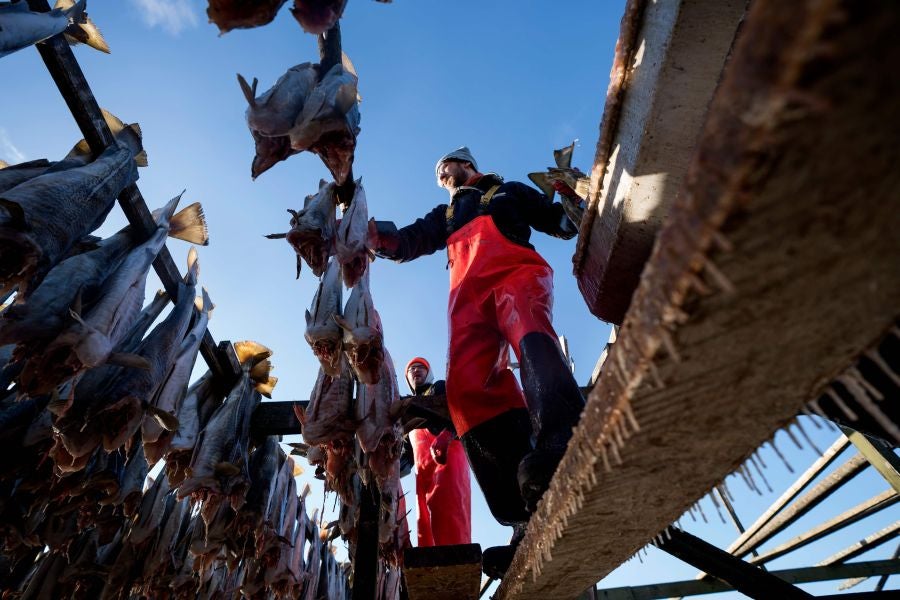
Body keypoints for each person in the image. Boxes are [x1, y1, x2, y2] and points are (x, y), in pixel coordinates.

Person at [371, 147, 586, 576]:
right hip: (466, 299)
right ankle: (525, 516)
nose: (440, 174)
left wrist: (571, 198)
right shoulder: (445, 214)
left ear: (465, 163)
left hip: (515, 273)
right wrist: (369, 234)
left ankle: (564, 447)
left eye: (443, 166)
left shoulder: (508, 191)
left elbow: (562, 225)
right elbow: (408, 241)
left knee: (531, 337)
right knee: (467, 394)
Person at [404, 356, 472, 547]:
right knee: (425, 523)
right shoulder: (406, 409)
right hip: (423, 477)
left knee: (450, 513)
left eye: (421, 368)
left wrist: (447, 434)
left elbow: (459, 412)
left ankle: (457, 557)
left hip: (449, 462)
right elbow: (405, 458)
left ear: (429, 373)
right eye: (411, 370)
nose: (416, 371)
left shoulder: (439, 388)